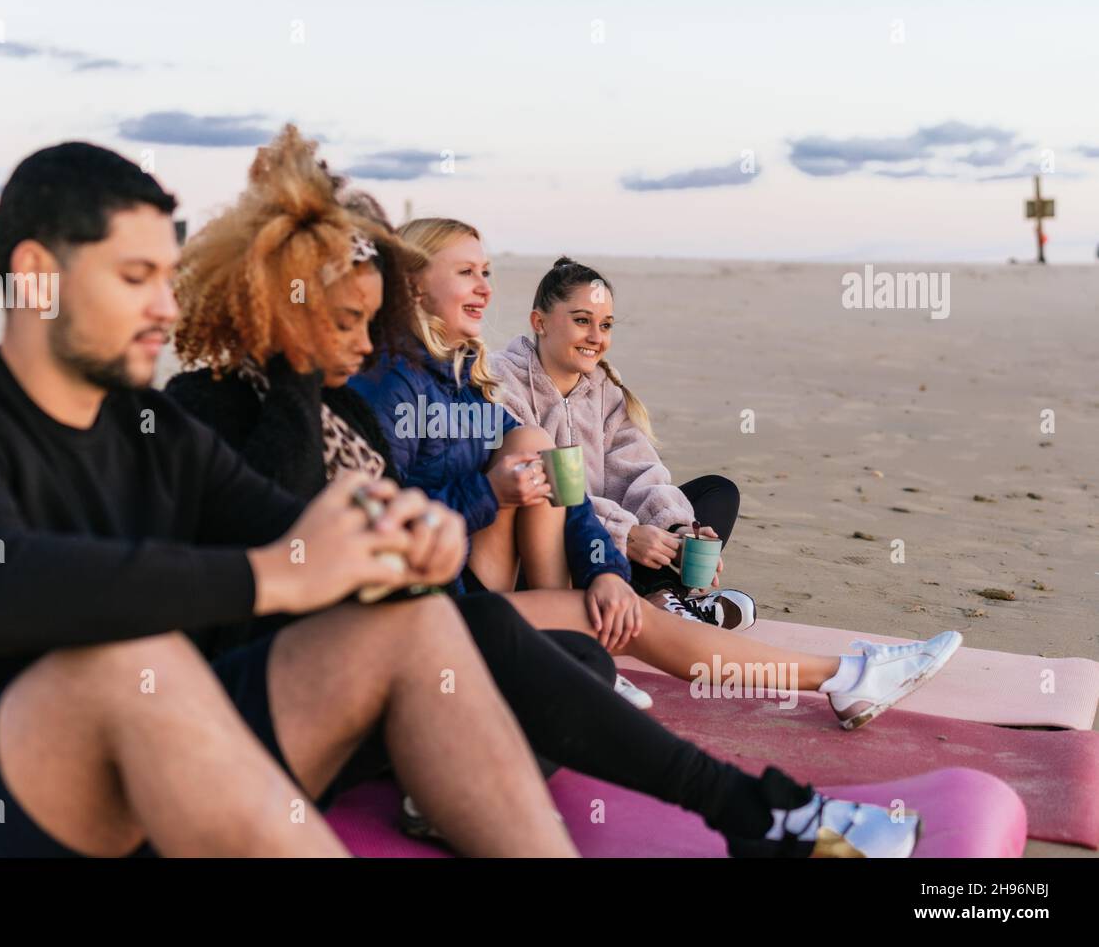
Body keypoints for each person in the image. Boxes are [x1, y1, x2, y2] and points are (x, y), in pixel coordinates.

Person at [165, 126, 926, 856]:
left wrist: (599, 559)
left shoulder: (442, 389)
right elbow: (293, 547)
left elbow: (564, 490)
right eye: (344, 321)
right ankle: (768, 801)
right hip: (289, 689)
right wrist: (467, 505)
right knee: (512, 636)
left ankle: (733, 801)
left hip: (408, 640)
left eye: (372, 319)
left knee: (580, 655)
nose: (364, 342)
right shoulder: (246, 407)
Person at [0, 140, 577, 858]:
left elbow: (291, 526)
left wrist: (402, 537)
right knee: (126, 664)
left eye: (167, 276)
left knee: (409, 624)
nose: (166, 307)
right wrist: (276, 573)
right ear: (35, 274)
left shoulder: (153, 430)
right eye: (133, 277)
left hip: (141, 788)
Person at [352, 217, 963, 730]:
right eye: (466, 272)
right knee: (622, 601)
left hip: (499, 584)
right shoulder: (393, 386)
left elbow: (579, 490)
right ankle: (846, 676)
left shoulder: (465, 381)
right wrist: (493, 493)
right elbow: (379, 531)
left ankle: (588, 634)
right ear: (410, 284)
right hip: (440, 611)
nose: (484, 286)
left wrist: (605, 569)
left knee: (556, 458)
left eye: (487, 272)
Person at [492, 256, 756, 629]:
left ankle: (658, 598)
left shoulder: (605, 392)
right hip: (541, 553)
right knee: (566, 529)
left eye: (606, 325)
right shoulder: (502, 384)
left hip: (608, 541)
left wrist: (676, 529)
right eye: (582, 321)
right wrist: (624, 534)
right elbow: (543, 492)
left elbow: (640, 471)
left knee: (717, 493)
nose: (597, 338)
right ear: (540, 323)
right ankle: (667, 600)